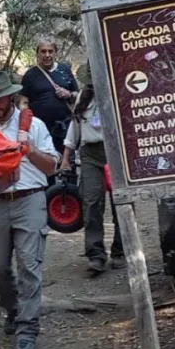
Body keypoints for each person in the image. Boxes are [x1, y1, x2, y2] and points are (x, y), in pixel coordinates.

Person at [0, 71, 59, 349]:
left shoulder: (33, 125)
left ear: (11, 96)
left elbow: (51, 168)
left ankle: (27, 329)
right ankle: (13, 310)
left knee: (28, 266)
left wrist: (28, 150)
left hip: (30, 198)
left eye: (0, 98)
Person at [60, 63, 125, 275]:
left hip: (115, 152)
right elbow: (74, 129)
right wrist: (66, 158)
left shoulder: (118, 96)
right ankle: (96, 254)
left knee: (121, 202)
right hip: (90, 154)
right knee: (91, 202)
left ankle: (120, 250)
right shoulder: (82, 98)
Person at [20, 36, 79, 157]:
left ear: (55, 52)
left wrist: (68, 94)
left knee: (68, 163)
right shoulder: (30, 76)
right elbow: (23, 102)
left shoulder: (65, 70)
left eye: (50, 51)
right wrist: (24, 125)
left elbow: (78, 95)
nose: (47, 55)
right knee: (45, 160)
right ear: (37, 54)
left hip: (65, 127)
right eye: (43, 51)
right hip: (40, 128)